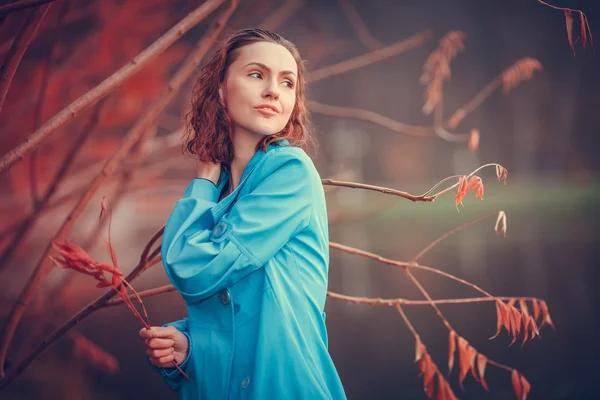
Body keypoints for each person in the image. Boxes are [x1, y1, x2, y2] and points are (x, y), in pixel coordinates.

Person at [138, 28, 347, 399]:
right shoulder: (223, 194)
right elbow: (243, 315)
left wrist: (202, 182)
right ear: (219, 90)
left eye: (287, 83)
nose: (273, 91)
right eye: (256, 74)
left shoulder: (290, 173)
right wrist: (191, 348)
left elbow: (192, 269)